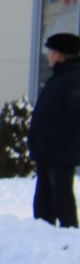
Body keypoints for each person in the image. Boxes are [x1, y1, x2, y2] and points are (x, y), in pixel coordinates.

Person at [29, 31, 80, 229]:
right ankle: (45, 238)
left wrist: (51, 136)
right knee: (44, 202)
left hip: (60, 153)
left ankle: (69, 241)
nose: (48, 55)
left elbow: (74, 113)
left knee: (61, 200)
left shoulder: (73, 77)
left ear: (61, 54)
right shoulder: (60, 77)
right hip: (48, 152)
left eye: (51, 51)